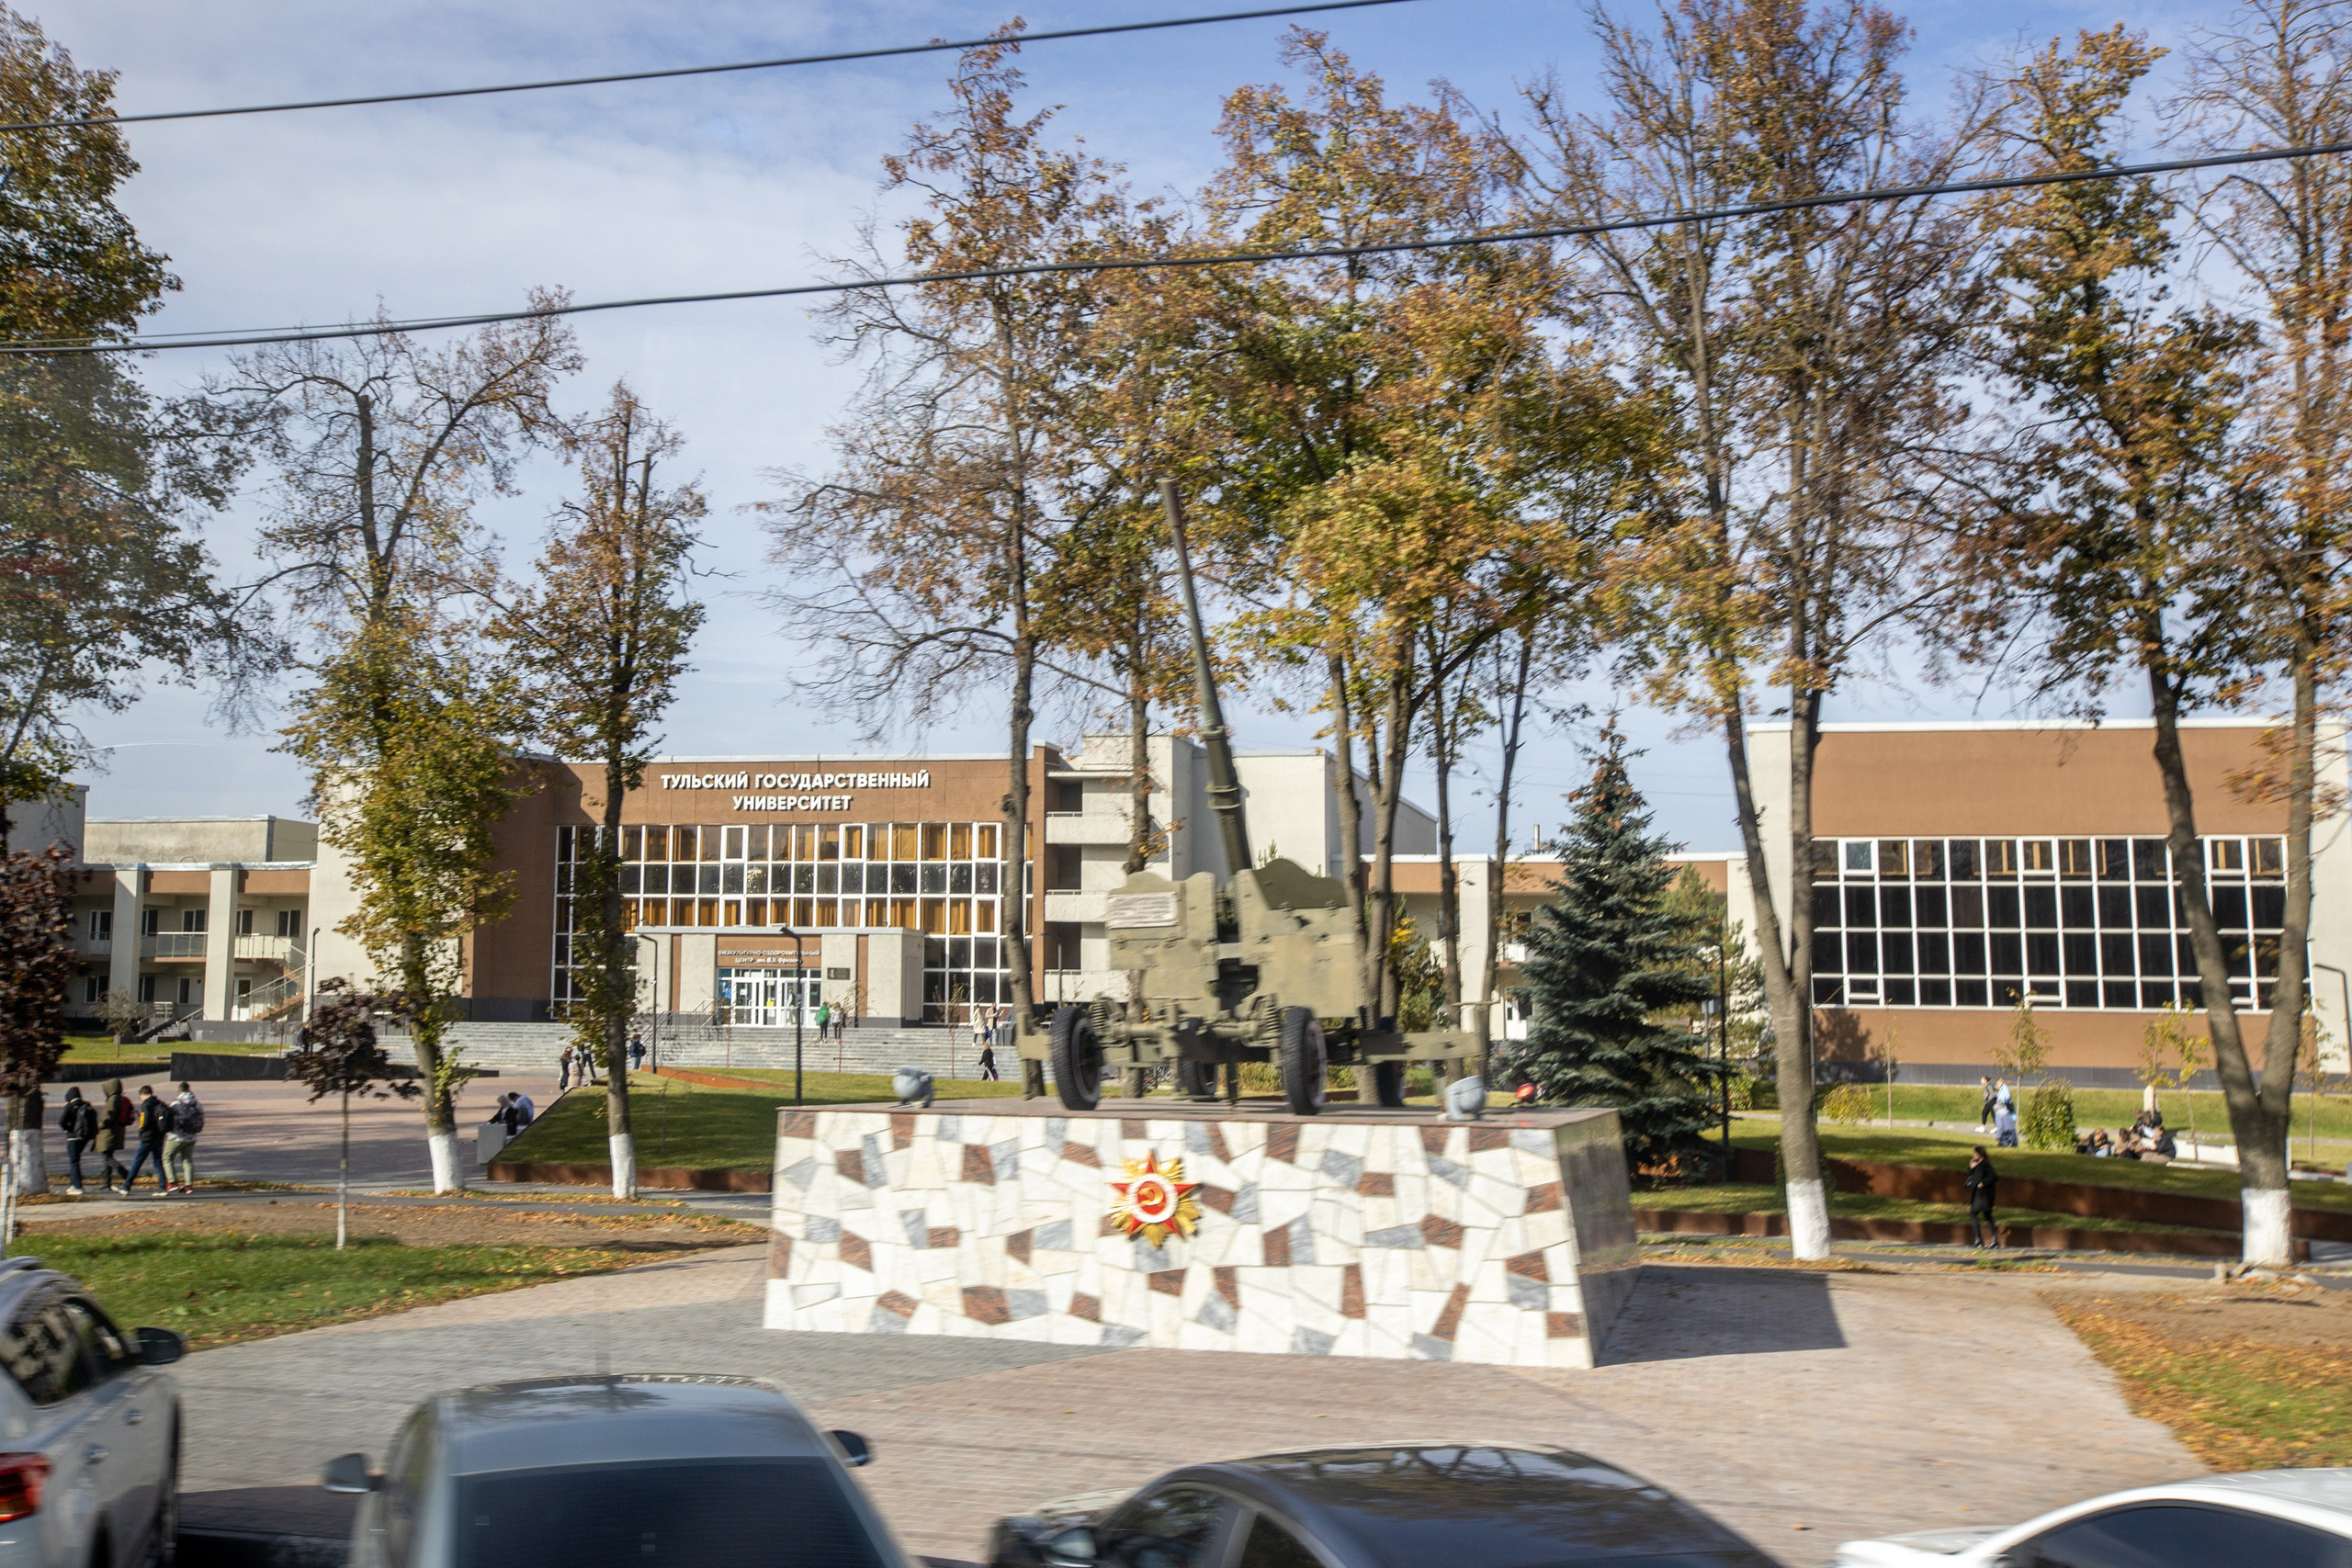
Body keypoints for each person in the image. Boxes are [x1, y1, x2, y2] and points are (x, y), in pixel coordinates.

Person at [125, 1085, 171, 1195]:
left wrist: (141, 1131)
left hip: (147, 1138)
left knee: (137, 1162)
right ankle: (163, 1187)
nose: (140, 1098)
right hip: (159, 1137)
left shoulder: (146, 1104)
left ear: (143, 1094)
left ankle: (126, 1186)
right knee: (158, 1162)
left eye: (140, 1096)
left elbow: (145, 1122)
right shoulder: (158, 1103)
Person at [164, 1082, 203, 1195]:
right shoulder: (197, 1104)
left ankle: (172, 1182)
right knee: (187, 1160)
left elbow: (170, 1119)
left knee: (167, 1157)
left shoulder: (176, 1104)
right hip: (191, 1137)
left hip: (176, 1137)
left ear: (179, 1091)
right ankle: (188, 1185)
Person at [57, 1088, 95, 1197]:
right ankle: (74, 1184)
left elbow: (62, 1121)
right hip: (84, 1137)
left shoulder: (69, 1106)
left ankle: (77, 1186)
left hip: (73, 1137)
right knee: (76, 1160)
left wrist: (67, 1129)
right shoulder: (86, 1105)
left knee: (74, 1162)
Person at [96, 1077, 130, 1195]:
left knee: (107, 1157)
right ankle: (106, 1182)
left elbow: (108, 1116)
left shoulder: (113, 1100)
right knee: (108, 1156)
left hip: (109, 1132)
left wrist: (100, 1125)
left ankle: (123, 1172)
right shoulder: (119, 1098)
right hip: (116, 1131)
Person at [1965, 1146, 1999, 1248]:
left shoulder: (1985, 1165)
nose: (1973, 1155)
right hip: (1979, 1195)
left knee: (1974, 1213)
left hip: (1983, 1195)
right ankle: (1992, 1240)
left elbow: (1994, 1177)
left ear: (1980, 1155)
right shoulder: (1979, 1165)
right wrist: (1972, 1167)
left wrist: (1983, 1183)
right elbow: (1974, 1177)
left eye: (1975, 1153)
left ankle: (1979, 1240)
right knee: (1987, 1215)